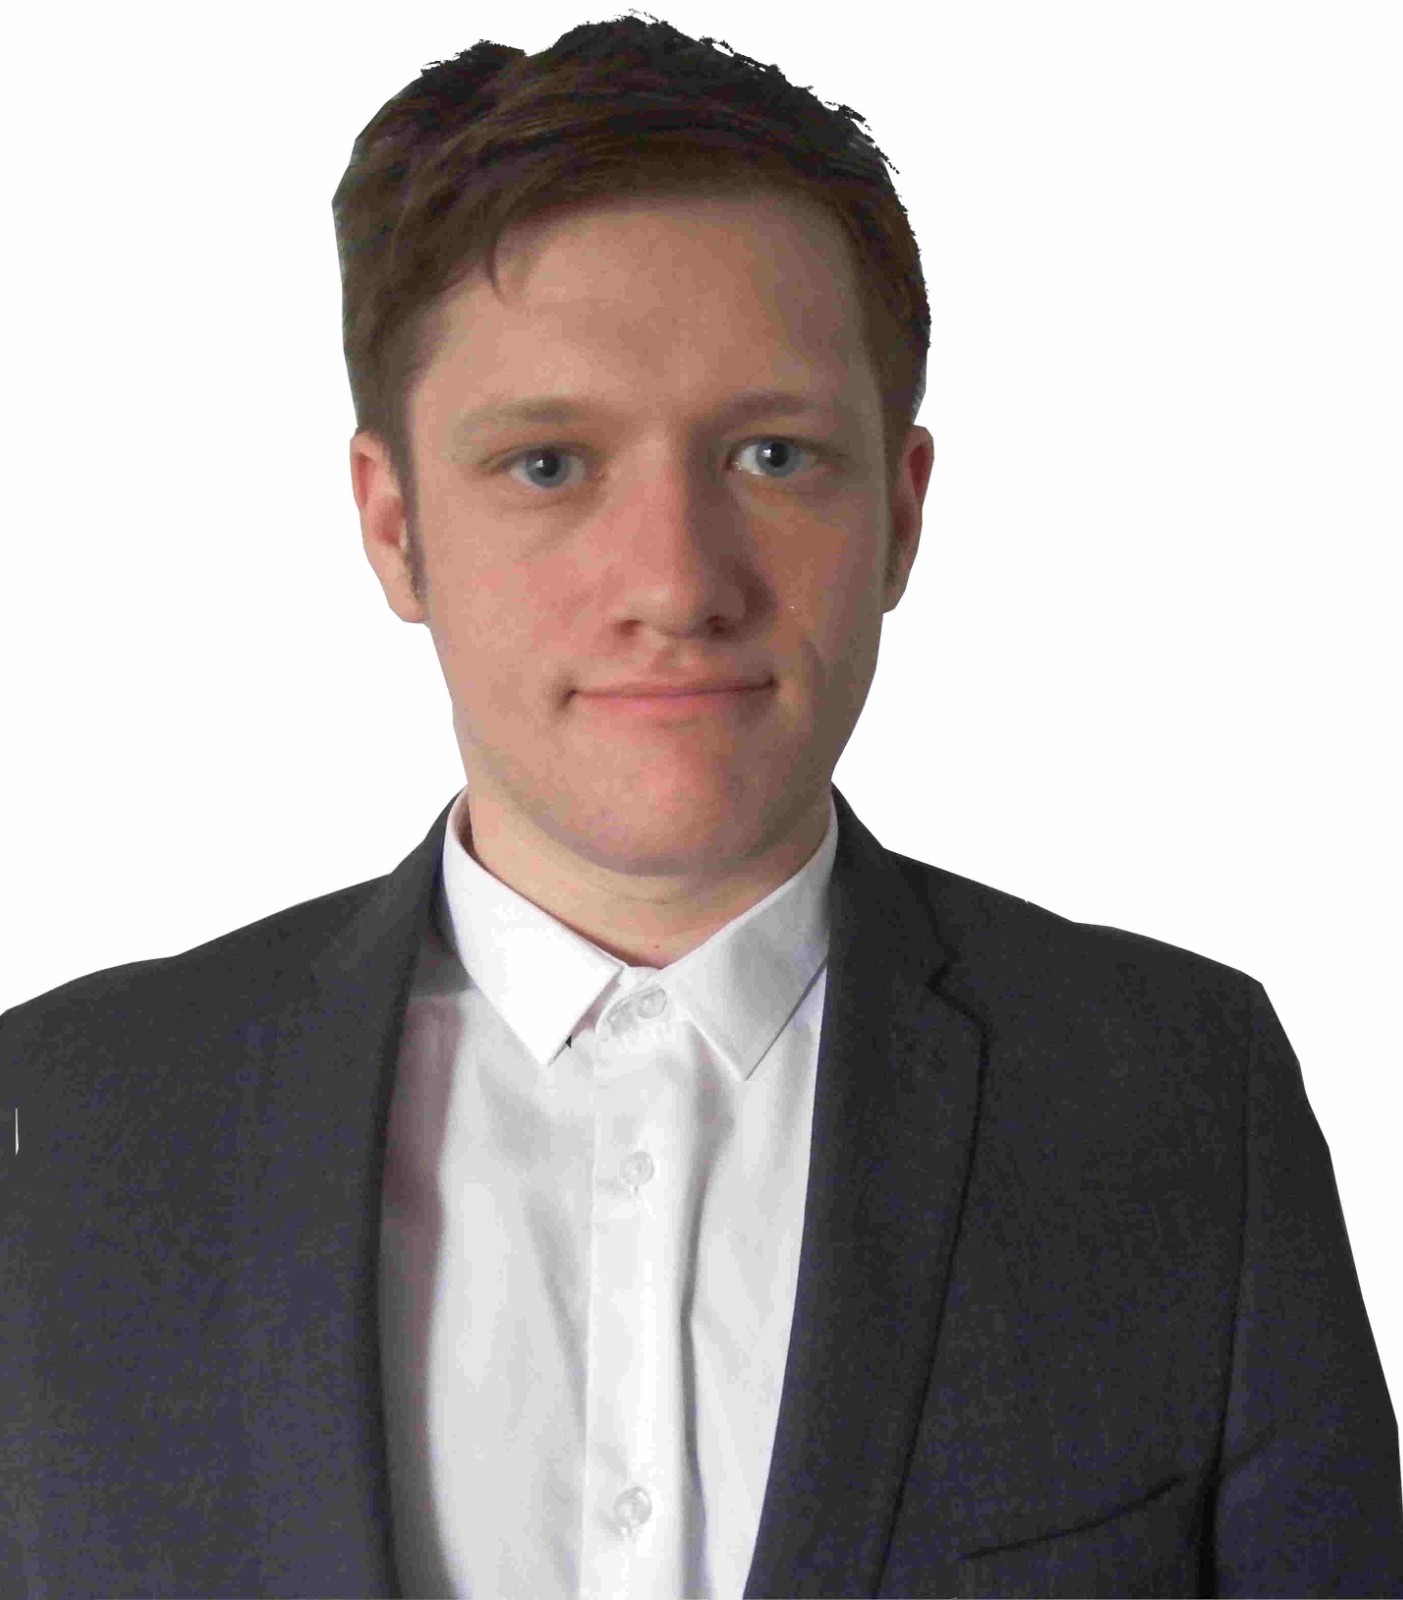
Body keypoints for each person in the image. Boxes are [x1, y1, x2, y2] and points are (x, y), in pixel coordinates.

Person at [2, 13, 1399, 1598]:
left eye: (773, 454)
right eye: (548, 465)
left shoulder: (1184, 1099)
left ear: (902, 515)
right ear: (394, 528)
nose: (675, 583)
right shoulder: (60, 1128)